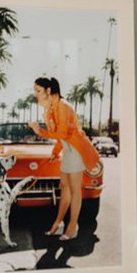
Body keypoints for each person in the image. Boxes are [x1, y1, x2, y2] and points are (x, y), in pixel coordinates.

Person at [29, 77, 100, 241]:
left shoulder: (63, 106)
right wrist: (55, 151)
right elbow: (62, 138)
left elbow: (63, 133)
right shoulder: (52, 109)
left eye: (38, 90)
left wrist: (39, 131)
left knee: (75, 190)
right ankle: (58, 224)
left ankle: (72, 227)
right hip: (68, 150)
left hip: (76, 150)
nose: (36, 95)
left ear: (48, 91)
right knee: (64, 187)